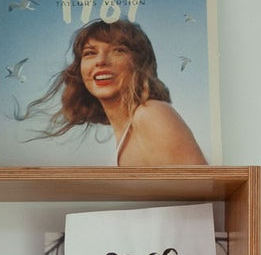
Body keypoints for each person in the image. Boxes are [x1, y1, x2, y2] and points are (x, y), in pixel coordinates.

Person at [28, 19, 207, 168]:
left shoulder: (151, 113)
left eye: (118, 50)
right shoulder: (129, 129)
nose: (101, 61)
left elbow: (199, 194)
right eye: (90, 53)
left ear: (139, 63)